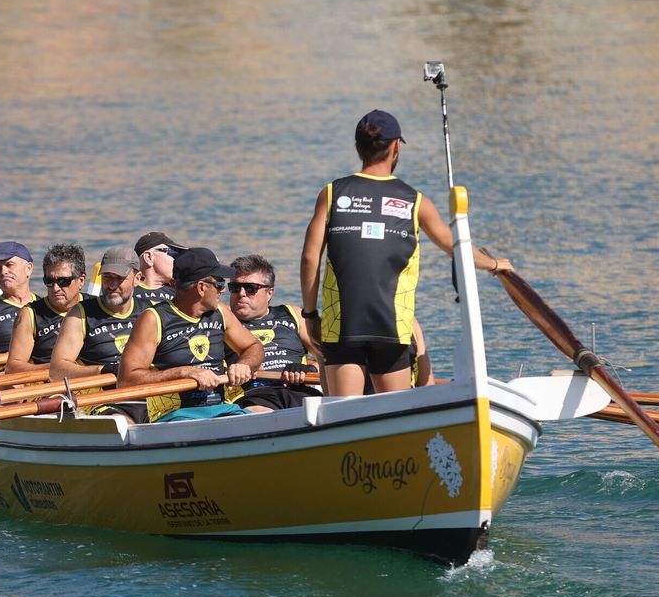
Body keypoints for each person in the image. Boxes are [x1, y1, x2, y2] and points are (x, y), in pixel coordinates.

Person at [300, 109, 514, 398]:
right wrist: (495, 264)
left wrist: (310, 314)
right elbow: (457, 248)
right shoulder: (416, 201)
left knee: (343, 413)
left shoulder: (332, 193)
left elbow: (310, 257)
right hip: (391, 327)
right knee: (394, 412)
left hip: (342, 325)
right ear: (396, 147)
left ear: (357, 146)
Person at [117, 248, 264, 423]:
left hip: (221, 409)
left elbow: (254, 346)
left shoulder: (221, 312)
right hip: (173, 415)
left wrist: (244, 364)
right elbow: (126, 380)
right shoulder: (153, 319)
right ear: (201, 287)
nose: (223, 290)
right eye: (219, 284)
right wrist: (184, 372)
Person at [225, 254, 320, 412]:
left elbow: (328, 357)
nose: (241, 293)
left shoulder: (293, 314)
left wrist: (311, 369)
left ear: (269, 292)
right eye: (235, 287)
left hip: (300, 389)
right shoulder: (222, 319)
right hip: (254, 393)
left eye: (250, 288)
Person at [48, 247, 144, 380]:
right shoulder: (80, 314)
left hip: (142, 385)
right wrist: (103, 370)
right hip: (101, 388)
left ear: (137, 278)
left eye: (119, 278)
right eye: (107, 277)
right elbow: (57, 371)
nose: (112, 285)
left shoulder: (149, 312)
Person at [5, 243, 86, 373]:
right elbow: (13, 368)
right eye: (49, 281)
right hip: (50, 382)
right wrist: (58, 367)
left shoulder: (95, 306)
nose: (55, 288)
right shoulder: (30, 314)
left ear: (81, 280)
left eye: (63, 281)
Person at [132, 231, 184, 307]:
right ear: (149, 257)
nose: (177, 259)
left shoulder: (180, 293)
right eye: (174, 254)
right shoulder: (126, 291)